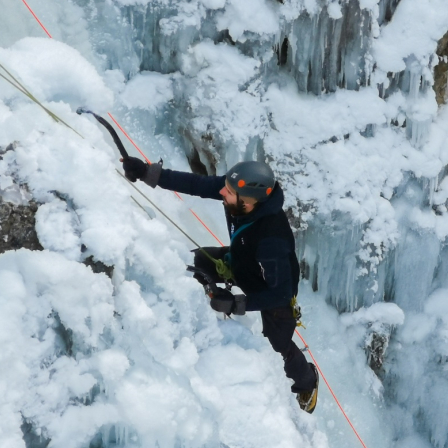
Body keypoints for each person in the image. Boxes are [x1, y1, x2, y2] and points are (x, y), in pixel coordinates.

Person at [121, 156, 319, 413]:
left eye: (228, 191)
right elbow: (198, 184)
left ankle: (306, 381)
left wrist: (238, 303)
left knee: (280, 341)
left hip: (273, 290)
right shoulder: (240, 196)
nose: (222, 191)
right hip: (239, 260)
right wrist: (150, 173)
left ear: (248, 202)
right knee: (194, 262)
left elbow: (280, 293)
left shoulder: (273, 240)